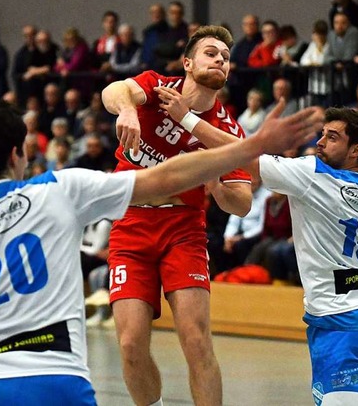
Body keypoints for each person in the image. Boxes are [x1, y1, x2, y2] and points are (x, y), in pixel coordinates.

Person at [0, 97, 314, 404]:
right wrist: (251, 145)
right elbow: (163, 179)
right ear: (18, 154)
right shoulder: (58, 189)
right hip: (59, 384)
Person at [159, 103, 358, 405]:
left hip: (337, 324)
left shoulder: (311, 173)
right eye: (322, 134)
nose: (320, 142)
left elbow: (243, 152)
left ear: (356, 150)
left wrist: (185, 117)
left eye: (333, 137)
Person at [101, 25, 254, 406]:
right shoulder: (157, 88)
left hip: (182, 230)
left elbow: (243, 202)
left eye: (225, 56)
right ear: (188, 62)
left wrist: (217, 184)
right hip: (130, 225)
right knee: (130, 344)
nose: (220, 59)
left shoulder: (225, 129)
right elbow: (112, 90)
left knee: (197, 340)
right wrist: (128, 111)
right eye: (210, 52)